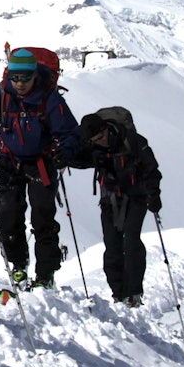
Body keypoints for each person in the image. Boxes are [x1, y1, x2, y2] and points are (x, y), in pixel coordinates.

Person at [0, 48, 80, 289]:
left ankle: (45, 273)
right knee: (9, 217)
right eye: (15, 78)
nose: (20, 83)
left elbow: (70, 133)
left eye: (25, 78)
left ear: (35, 75)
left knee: (42, 219)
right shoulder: (1, 93)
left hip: (41, 163)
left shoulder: (49, 98)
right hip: (8, 161)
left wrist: (65, 151)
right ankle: (19, 265)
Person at [72, 110, 162, 307]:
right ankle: (118, 293)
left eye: (101, 137)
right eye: (95, 140)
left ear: (106, 129)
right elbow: (79, 160)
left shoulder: (132, 141)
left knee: (131, 241)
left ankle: (134, 291)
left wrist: (154, 195)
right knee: (112, 246)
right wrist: (63, 158)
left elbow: (151, 169)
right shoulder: (94, 147)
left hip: (136, 198)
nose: (100, 142)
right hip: (110, 199)